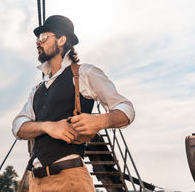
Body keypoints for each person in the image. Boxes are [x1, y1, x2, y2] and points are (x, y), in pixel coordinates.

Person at [12, 15, 135, 192]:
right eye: (38, 39)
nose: (38, 43)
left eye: (44, 38)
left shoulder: (84, 73)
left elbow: (127, 109)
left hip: (69, 180)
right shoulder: (37, 89)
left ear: (61, 40)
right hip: (35, 183)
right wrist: (48, 127)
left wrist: (101, 121)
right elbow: (18, 127)